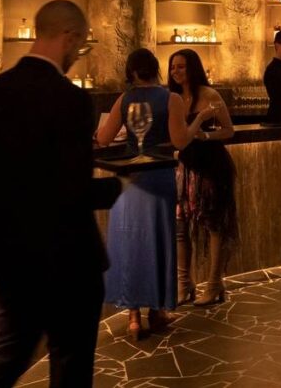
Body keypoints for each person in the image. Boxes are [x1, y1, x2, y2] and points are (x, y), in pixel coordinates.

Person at [0, 0, 122, 387]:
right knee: (71, 366)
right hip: (70, 260)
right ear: (69, 37)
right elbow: (70, 188)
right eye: (79, 47)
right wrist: (118, 187)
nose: (77, 56)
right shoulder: (73, 100)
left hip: (13, 262)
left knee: (4, 357)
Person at [96, 49, 180, 341]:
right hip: (159, 177)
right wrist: (197, 127)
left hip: (130, 179)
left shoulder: (124, 99)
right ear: (155, 69)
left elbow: (104, 139)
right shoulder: (172, 99)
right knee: (158, 241)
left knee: (130, 244)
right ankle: (156, 311)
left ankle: (132, 317)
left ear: (131, 72)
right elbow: (179, 139)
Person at [168, 48, 238, 306]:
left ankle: (215, 283)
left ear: (193, 68)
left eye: (181, 67)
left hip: (211, 167)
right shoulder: (173, 98)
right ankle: (184, 285)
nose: (176, 71)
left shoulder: (210, 95)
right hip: (185, 167)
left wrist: (206, 135)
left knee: (213, 226)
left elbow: (229, 130)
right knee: (181, 227)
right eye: (173, 67)